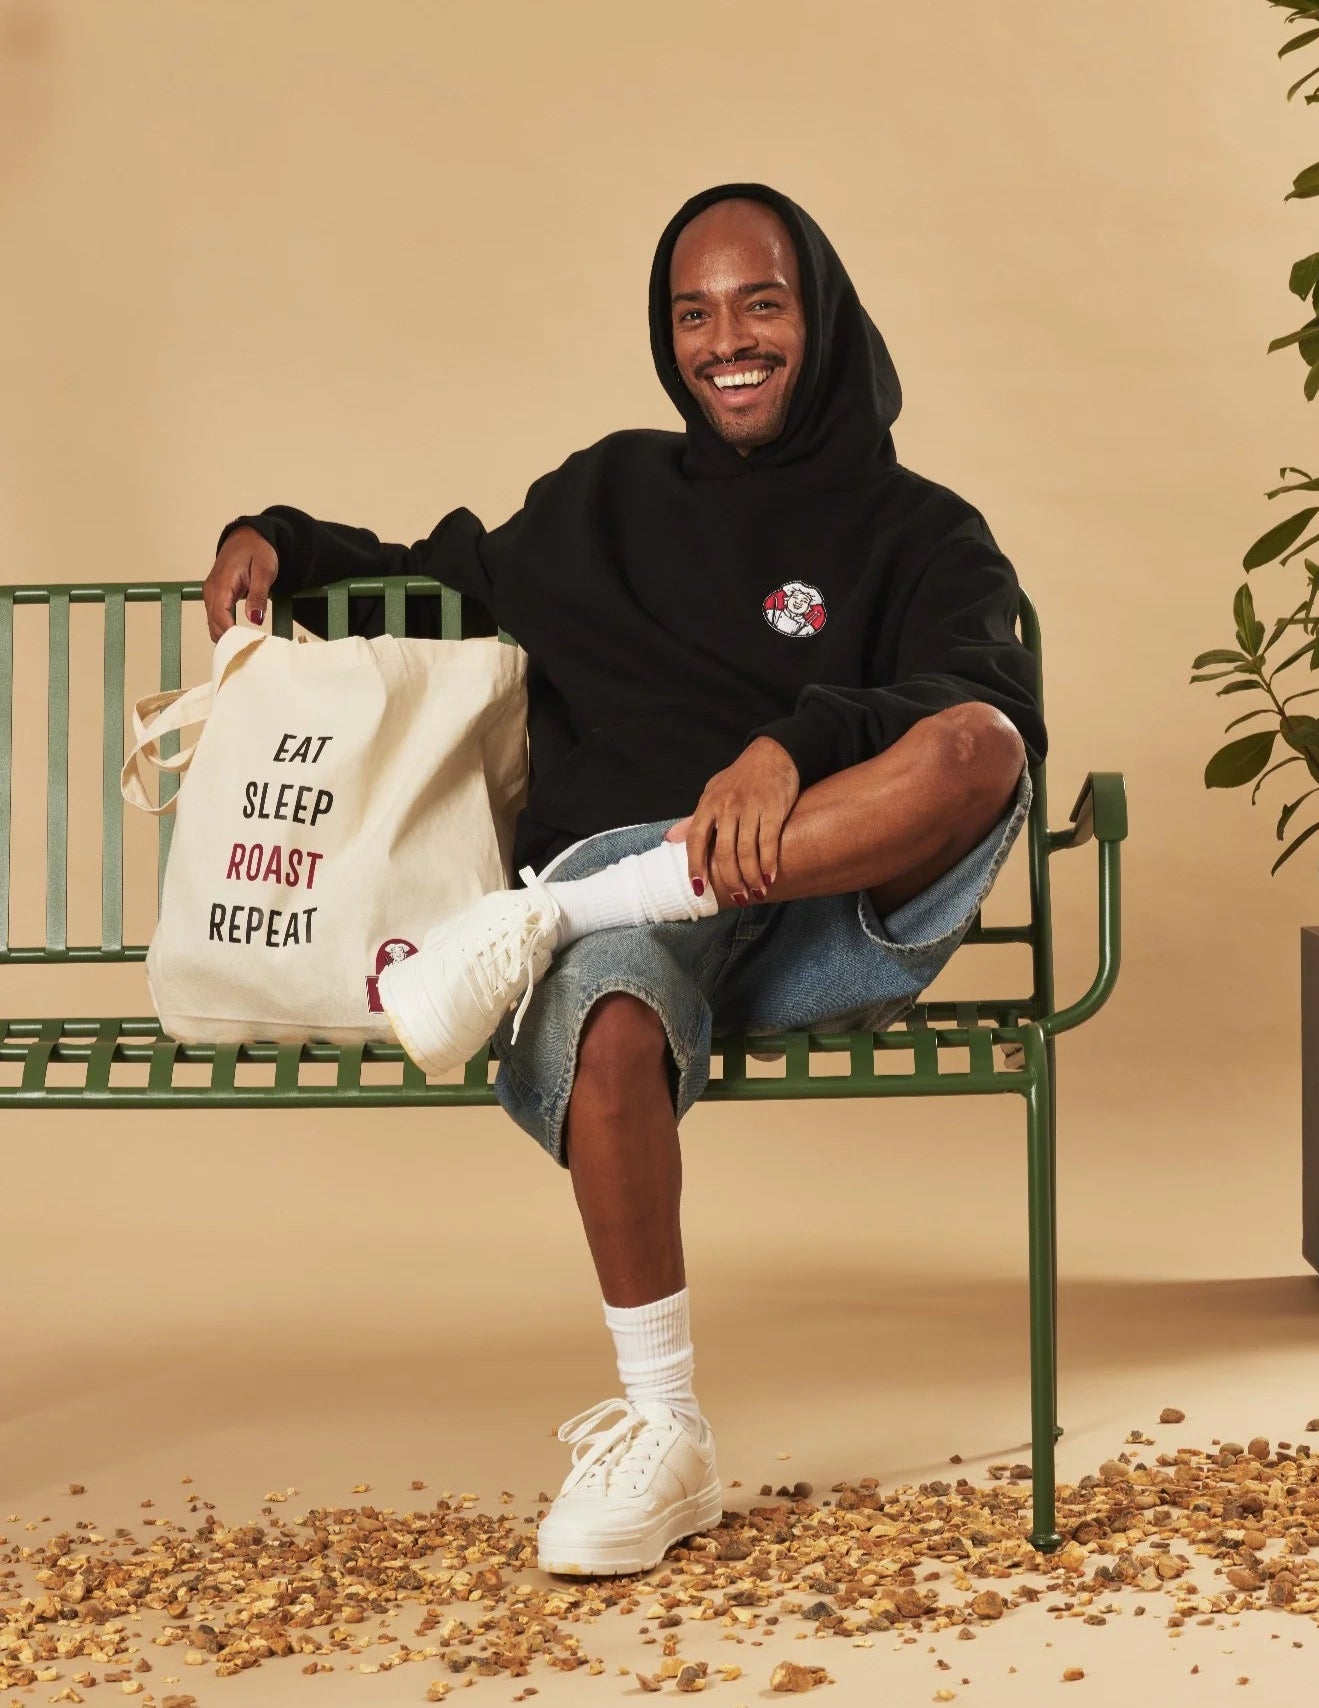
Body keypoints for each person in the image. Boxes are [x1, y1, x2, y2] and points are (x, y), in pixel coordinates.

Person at [202, 181, 1046, 1580]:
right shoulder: (602, 494)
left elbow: (974, 699)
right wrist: (280, 535)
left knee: (978, 745)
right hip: (640, 901)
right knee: (608, 1025)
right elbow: (434, 577)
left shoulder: (918, 529)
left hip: (821, 905)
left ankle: (545, 921)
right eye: (694, 311)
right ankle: (664, 1431)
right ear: (669, 337)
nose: (728, 339)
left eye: (761, 304)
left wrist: (792, 744)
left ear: (817, 316)